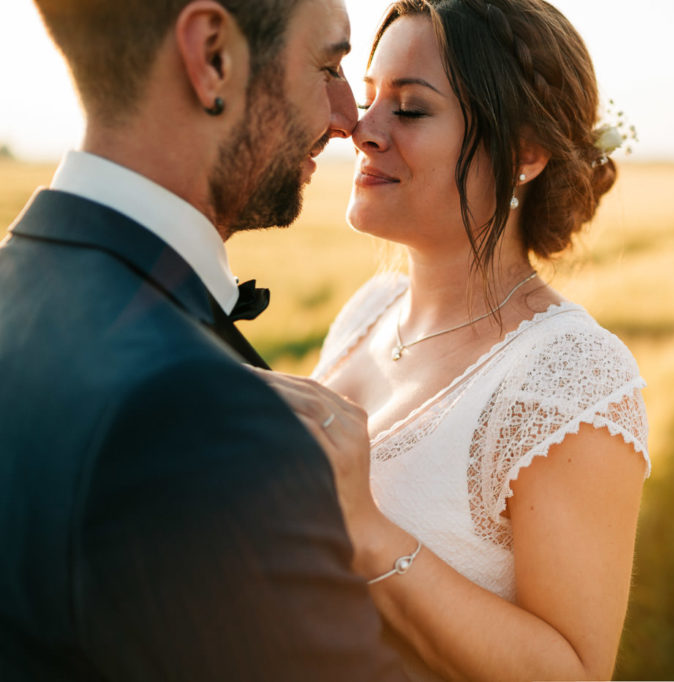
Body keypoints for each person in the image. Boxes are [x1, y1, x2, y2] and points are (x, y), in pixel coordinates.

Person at [0, 1, 406, 679]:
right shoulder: (189, 413)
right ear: (213, 56)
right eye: (329, 65)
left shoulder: (18, 284)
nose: (348, 118)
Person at [262, 0, 650, 679]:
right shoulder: (368, 313)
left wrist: (369, 530)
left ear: (525, 151)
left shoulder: (569, 376)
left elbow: (573, 671)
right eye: (370, 97)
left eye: (409, 109)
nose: (362, 129)